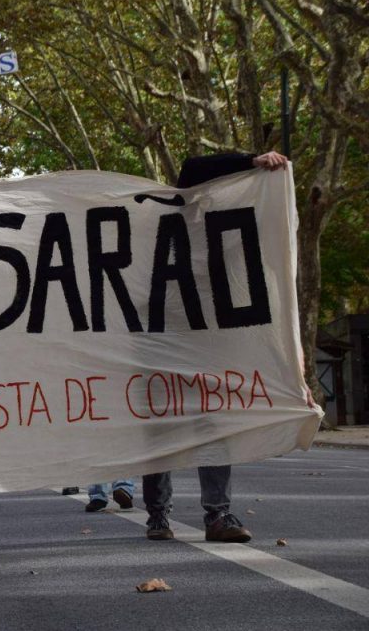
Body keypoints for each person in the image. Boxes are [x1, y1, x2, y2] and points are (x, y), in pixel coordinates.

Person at [143, 150, 288, 543]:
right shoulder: (159, 223)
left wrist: (259, 173)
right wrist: (250, 160)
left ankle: (217, 516)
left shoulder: (221, 231)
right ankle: (158, 515)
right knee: (161, 429)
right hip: (160, 343)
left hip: (207, 349)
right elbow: (193, 167)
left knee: (212, 426)